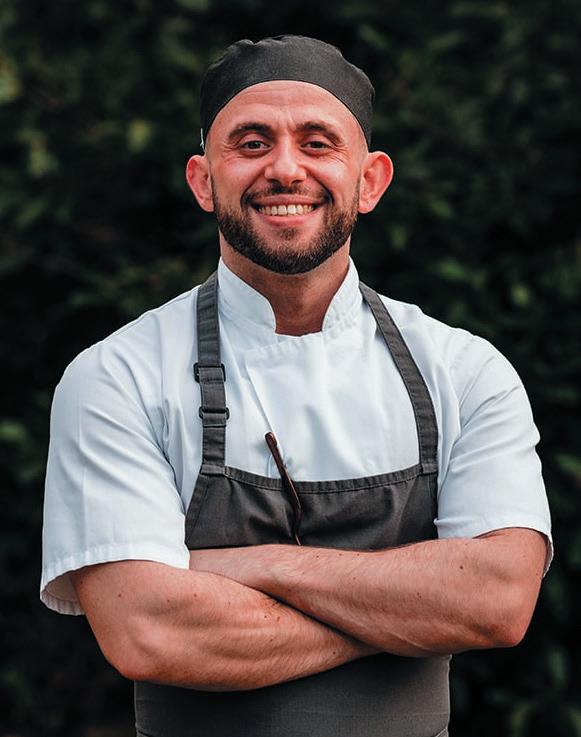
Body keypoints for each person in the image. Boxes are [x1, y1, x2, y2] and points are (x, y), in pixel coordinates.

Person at [41, 35, 552, 737]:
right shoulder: (117, 376)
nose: (285, 169)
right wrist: (413, 615)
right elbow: (148, 632)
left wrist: (259, 566)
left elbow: (496, 602)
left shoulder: (464, 372)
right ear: (203, 180)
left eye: (317, 143)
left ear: (369, 181)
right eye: (251, 143)